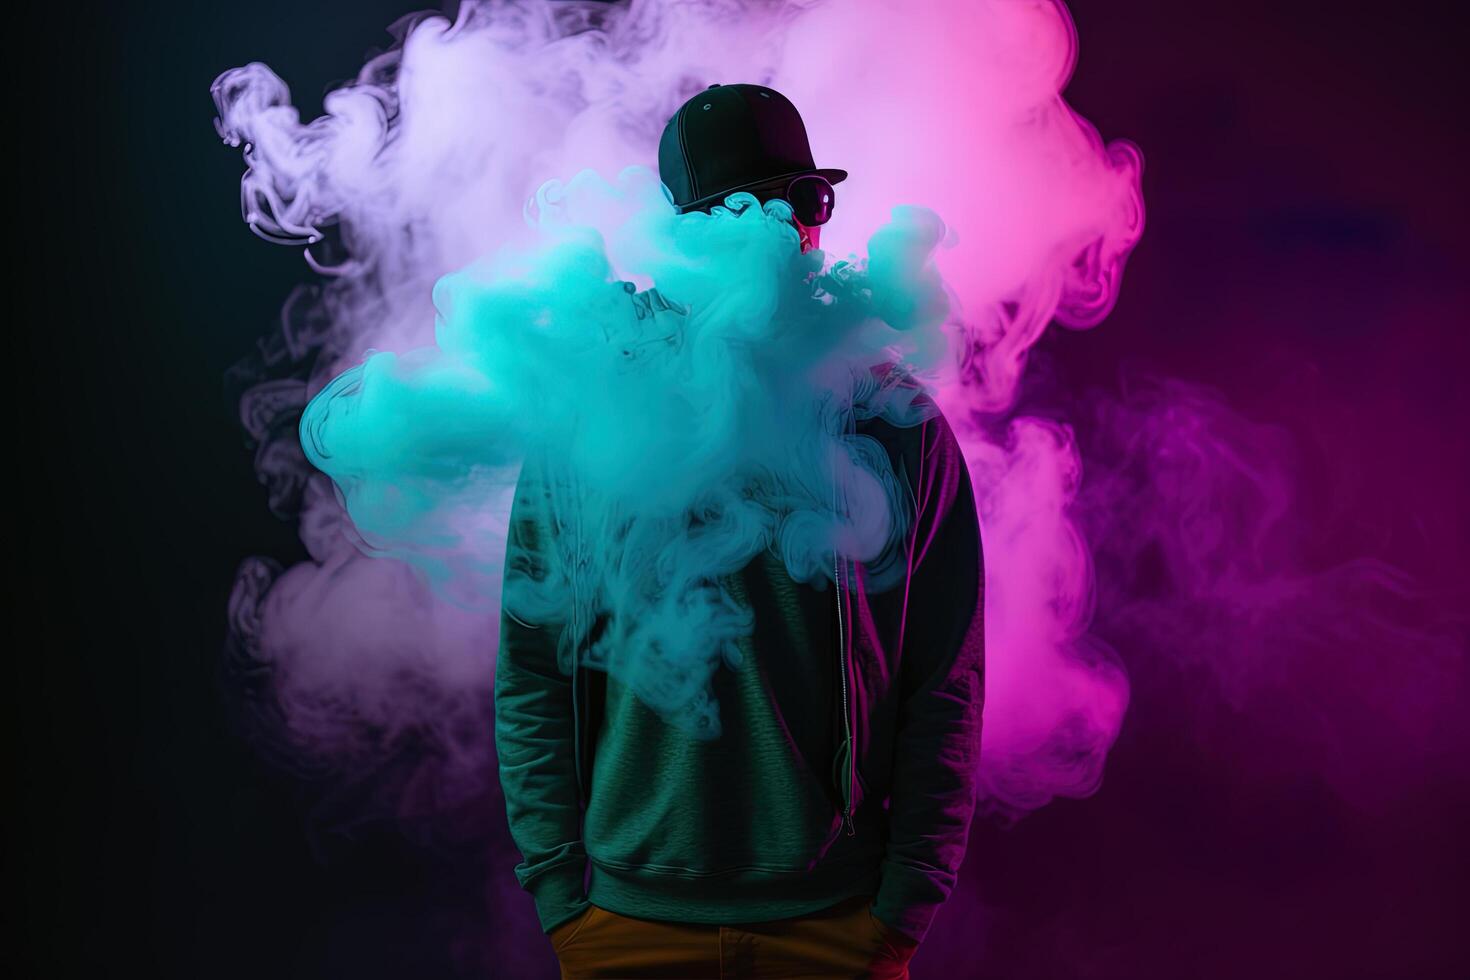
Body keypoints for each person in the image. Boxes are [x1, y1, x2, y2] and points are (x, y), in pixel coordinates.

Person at [495, 83, 985, 980]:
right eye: (745, 206)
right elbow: (532, 667)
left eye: (807, 200)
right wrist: (564, 893)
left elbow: (944, 679)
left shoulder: (894, 423)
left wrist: (908, 898)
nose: (791, 231)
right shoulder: (586, 421)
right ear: (685, 232)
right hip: (627, 925)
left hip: (838, 925)